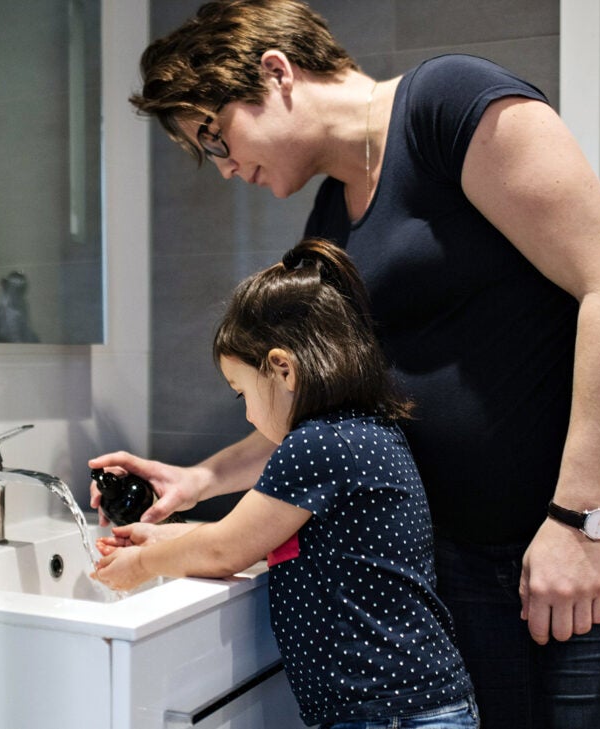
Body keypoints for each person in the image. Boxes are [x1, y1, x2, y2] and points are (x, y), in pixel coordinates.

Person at [91, 1, 600, 727]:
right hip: (475, 551)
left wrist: (578, 519)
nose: (226, 168)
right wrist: (198, 479)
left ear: (276, 72)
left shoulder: (448, 106)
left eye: (215, 135)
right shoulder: (331, 221)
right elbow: (324, 411)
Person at [92, 238, 477, 729]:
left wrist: (142, 564)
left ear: (282, 368)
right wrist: (161, 535)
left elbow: (226, 549)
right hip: (406, 705)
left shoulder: (316, 445)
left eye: (242, 394)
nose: (249, 414)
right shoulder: (362, 430)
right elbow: (261, 533)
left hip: (391, 714)